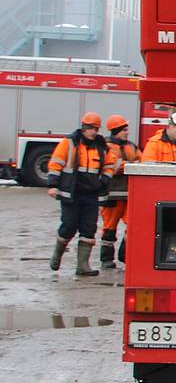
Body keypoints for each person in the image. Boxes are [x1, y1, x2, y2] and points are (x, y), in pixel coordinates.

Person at [47, 112, 120, 277]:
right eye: (89, 128)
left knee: (89, 229)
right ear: (83, 127)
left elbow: (111, 163)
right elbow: (56, 163)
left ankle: (83, 266)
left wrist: (105, 180)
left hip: (91, 194)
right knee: (68, 226)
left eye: (95, 128)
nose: (92, 132)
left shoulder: (101, 146)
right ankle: (57, 255)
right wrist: (52, 185)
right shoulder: (69, 143)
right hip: (71, 193)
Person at [98, 114, 141, 269]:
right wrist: (131, 165)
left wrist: (128, 164)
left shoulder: (131, 146)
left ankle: (125, 255)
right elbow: (113, 166)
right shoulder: (106, 147)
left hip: (129, 193)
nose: (127, 132)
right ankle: (106, 259)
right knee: (109, 228)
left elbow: (141, 163)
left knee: (132, 225)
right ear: (116, 130)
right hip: (111, 194)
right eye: (124, 129)